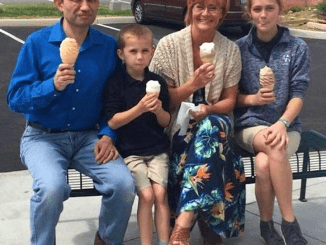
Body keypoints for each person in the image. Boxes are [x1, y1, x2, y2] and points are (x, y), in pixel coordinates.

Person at [6, 0, 135, 244]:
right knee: (51, 189)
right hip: (43, 137)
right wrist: (51, 86)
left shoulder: (107, 47)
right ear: (59, 4)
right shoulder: (37, 43)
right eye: (77, 0)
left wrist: (109, 134)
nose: (85, 6)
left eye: (92, 0)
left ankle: (107, 239)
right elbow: (15, 99)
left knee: (123, 185)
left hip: (90, 136)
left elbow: (116, 99)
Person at [149, 0, 246, 244]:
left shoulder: (230, 50)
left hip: (217, 124)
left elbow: (229, 102)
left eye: (213, 7)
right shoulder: (169, 46)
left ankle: (183, 221)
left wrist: (208, 109)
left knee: (211, 126)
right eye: (199, 6)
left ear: (222, 13)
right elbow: (163, 101)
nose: (205, 12)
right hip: (177, 126)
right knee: (210, 146)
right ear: (190, 10)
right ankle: (207, 218)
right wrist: (193, 84)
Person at [233, 0, 310, 244]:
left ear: (280, 11)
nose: (263, 15)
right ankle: (289, 223)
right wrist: (252, 98)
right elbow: (230, 97)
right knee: (274, 146)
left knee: (264, 163)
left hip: (287, 125)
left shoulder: (297, 47)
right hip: (249, 125)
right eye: (257, 9)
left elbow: (299, 93)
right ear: (249, 13)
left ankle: (266, 226)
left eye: (270, 8)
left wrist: (283, 123)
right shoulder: (239, 48)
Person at [102, 24, 171, 245]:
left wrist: (159, 109)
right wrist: (140, 108)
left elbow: (165, 122)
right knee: (147, 195)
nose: (140, 57)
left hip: (157, 149)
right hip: (130, 151)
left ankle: (164, 241)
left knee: (160, 194)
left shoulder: (158, 82)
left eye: (145, 51)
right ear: (121, 54)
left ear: (152, 51)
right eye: (133, 51)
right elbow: (113, 120)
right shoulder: (116, 83)